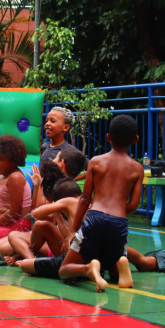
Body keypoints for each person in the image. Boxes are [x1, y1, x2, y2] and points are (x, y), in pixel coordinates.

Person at [58, 114, 143, 292]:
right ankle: (121, 264)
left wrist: (73, 229)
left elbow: (85, 198)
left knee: (64, 271)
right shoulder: (137, 168)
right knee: (112, 271)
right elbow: (134, 205)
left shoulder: (96, 162)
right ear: (135, 140)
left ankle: (87, 268)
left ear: (108, 137)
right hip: (119, 221)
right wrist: (118, 211)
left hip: (95, 217)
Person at [8, 179, 82, 265]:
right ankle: (30, 259)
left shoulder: (70, 201)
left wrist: (56, 206)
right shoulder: (85, 202)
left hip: (70, 252)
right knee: (13, 236)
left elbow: (36, 213)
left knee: (40, 225)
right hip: (62, 247)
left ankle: (30, 261)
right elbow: (68, 236)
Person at [0, 135, 31, 242]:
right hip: (2, 220)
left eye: (0, 159)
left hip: (18, 225)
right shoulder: (0, 174)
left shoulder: (15, 177)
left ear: (13, 161)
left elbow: (14, 213)